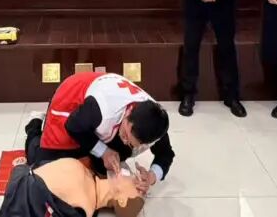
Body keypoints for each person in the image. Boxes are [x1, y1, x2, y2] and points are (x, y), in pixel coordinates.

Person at [24, 70, 173, 193]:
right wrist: (104, 151)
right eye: (126, 135)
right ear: (128, 113)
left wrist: (151, 177)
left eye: (132, 143)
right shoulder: (103, 108)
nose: (125, 140)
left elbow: (166, 155)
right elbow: (73, 126)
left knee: (101, 164)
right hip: (72, 97)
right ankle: (35, 124)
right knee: (42, 166)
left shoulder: (155, 124)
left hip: (102, 114)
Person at [0, 156, 143, 217]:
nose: (134, 179)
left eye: (136, 188)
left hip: (22, 194)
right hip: (28, 174)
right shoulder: (91, 174)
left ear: (122, 200)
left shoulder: (85, 207)